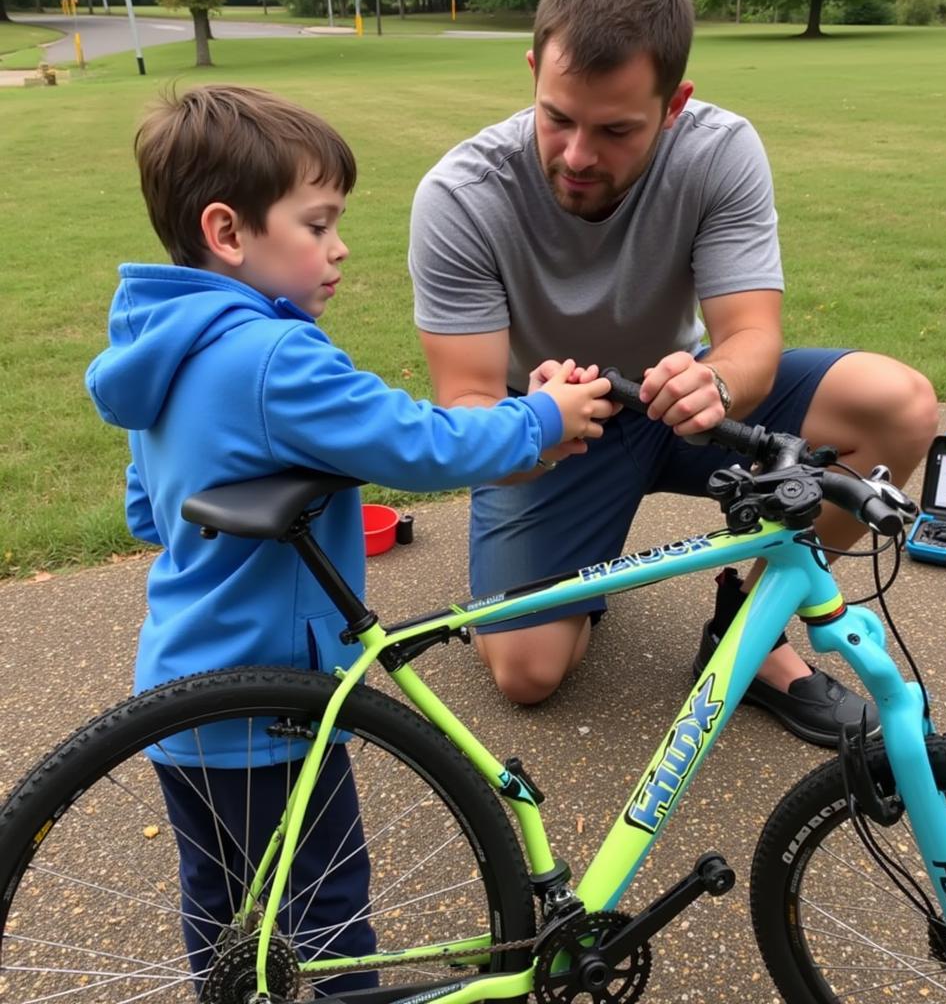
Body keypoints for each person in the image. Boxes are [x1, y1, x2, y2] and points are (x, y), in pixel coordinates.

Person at [84, 84, 613, 995]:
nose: (339, 250)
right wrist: (542, 416)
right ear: (228, 232)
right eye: (318, 224)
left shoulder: (161, 351)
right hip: (275, 705)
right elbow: (423, 443)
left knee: (222, 911)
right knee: (328, 923)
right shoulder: (274, 356)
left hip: (178, 691)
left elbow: (148, 512)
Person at [410, 0, 939, 747]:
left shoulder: (720, 150)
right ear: (533, 71)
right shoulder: (460, 196)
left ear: (675, 103)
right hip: (554, 425)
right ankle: (577, 562)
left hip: (687, 400)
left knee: (900, 404)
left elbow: (753, 335)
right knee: (526, 673)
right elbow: (466, 403)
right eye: (557, 117)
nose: (579, 156)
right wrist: (529, 426)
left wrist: (716, 382)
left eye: (617, 129)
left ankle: (748, 636)